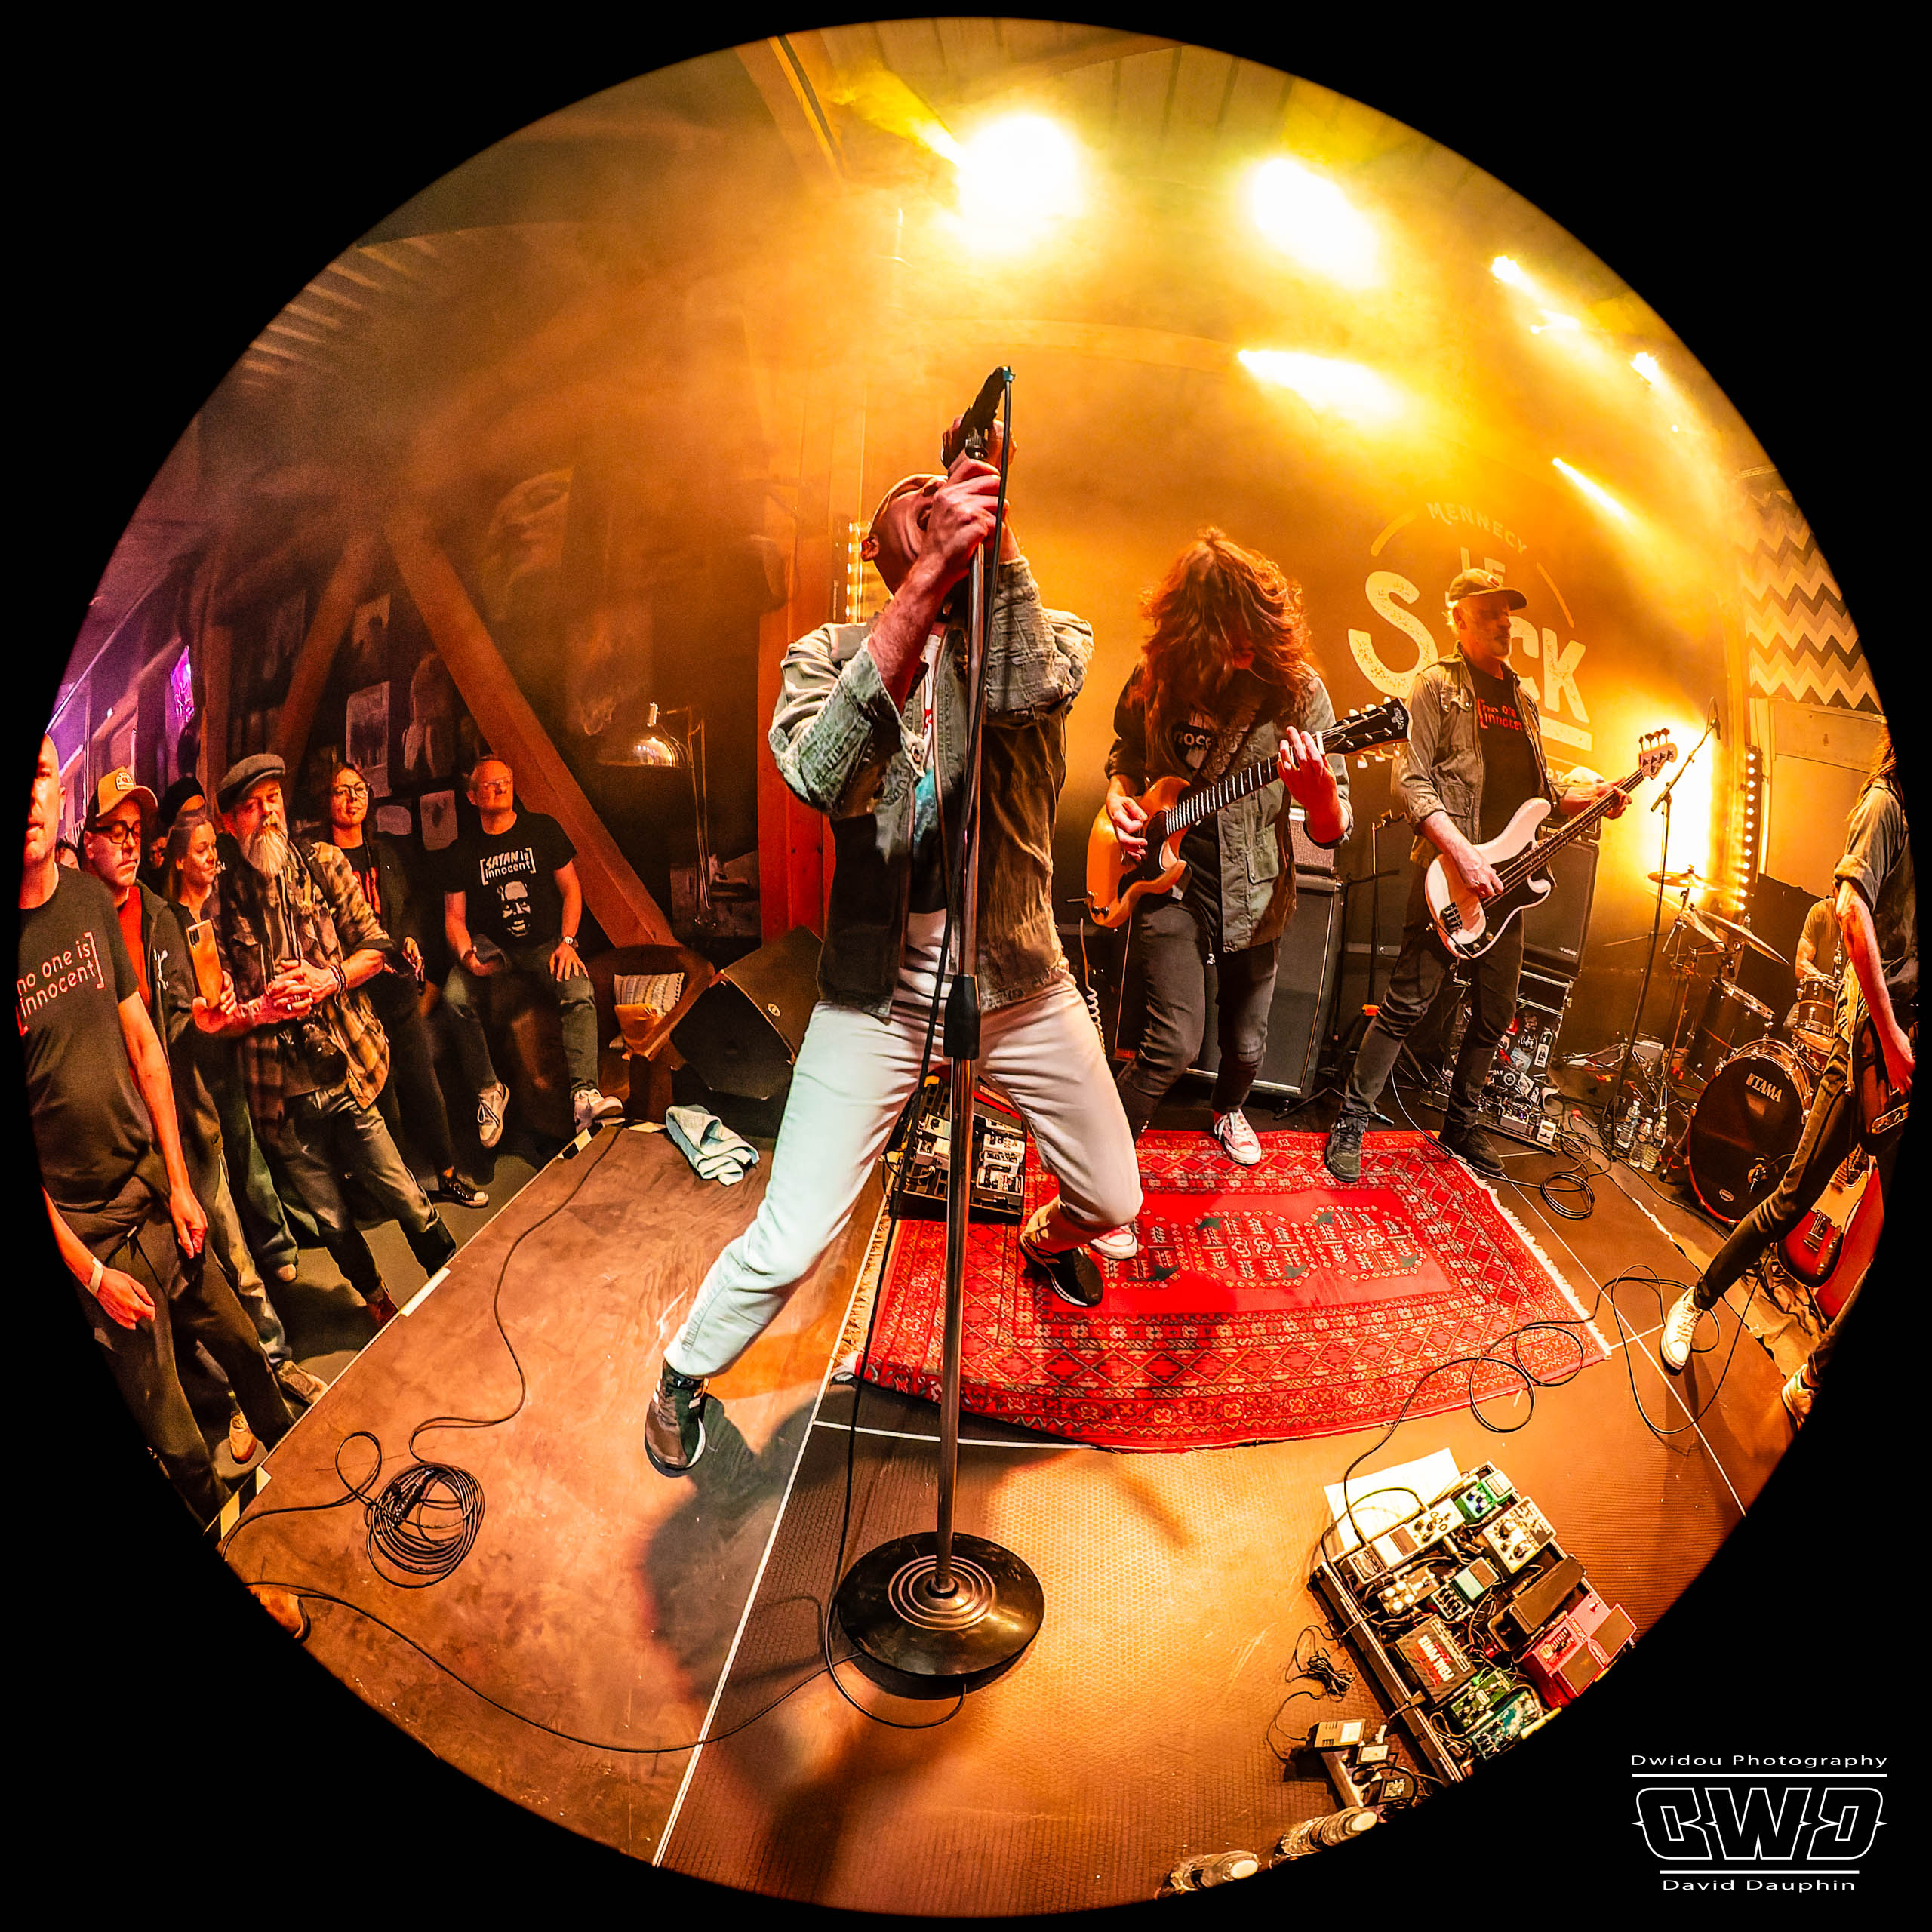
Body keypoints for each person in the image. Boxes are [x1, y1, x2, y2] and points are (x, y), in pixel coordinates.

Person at [642, 414, 1142, 1477]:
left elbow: (1021, 690)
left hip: (1017, 979)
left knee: (1114, 1200)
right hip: (875, 998)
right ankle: (682, 1372)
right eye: (918, 503)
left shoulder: (1042, 631)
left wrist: (991, 542)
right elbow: (822, 776)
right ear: (879, 550)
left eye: (952, 490)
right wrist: (923, 589)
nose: (940, 500)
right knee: (791, 1237)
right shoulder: (825, 659)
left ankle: (1043, 1242)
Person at [22, 738, 295, 1524]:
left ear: (57, 793)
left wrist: (179, 1182)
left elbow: (145, 1045)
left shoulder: (87, 903)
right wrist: (90, 1277)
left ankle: (302, 1474)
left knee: (245, 1346)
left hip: (153, 1188)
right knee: (173, 1431)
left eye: (40, 774)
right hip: (90, 1235)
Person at [1324, 568, 1627, 1183]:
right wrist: (1462, 852)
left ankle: (1460, 1123)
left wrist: (1592, 798)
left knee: (1494, 1014)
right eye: (1490, 612)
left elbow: (1542, 795)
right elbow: (1411, 781)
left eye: (1508, 612)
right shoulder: (1436, 685)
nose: (1504, 622)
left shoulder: (1523, 700)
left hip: (1508, 884)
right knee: (1406, 1004)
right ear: (1459, 619)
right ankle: (1350, 1120)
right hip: (1450, 871)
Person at [1660, 728, 1912, 1420]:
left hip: (1907, 1056)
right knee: (1790, 1201)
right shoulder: (1886, 806)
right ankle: (1695, 1301)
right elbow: (1851, 911)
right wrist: (1890, 1036)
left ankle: (1813, 1378)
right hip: (1867, 1051)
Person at [1104, 530, 1352, 1192]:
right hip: (1164, 879)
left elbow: (1332, 831)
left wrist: (1318, 795)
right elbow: (1125, 755)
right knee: (1170, 1046)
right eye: (1227, 636)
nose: (1245, 646)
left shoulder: (1296, 692)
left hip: (1256, 892)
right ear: (1191, 632)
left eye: (1253, 632)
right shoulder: (1158, 675)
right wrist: (1119, 799)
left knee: (1246, 1047)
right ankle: (1101, 1165)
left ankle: (1228, 1110)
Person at [79, 777, 326, 1442]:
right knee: (175, 1287)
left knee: (233, 1257)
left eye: (137, 833)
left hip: (187, 1126)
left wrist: (231, 1017)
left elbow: (193, 1019)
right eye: (116, 832)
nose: (130, 845)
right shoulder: (77, 931)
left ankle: (274, 1367)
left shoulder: (163, 918)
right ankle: (228, 1401)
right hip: (125, 1151)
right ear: (88, 842)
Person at [200, 752, 457, 1325]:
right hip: (277, 1094)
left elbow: (377, 948)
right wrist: (257, 1010)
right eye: (251, 807)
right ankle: (377, 1301)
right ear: (229, 823)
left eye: (273, 799)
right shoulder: (218, 903)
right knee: (331, 1218)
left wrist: (328, 979)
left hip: (347, 1064)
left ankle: (451, 1281)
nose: (267, 814)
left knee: (400, 1189)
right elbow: (220, 1018)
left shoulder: (324, 864)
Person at [321, 759, 486, 1208]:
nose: (352, 799)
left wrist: (411, 940)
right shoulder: (320, 862)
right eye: (341, 791)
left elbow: (407, 909)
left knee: (422, 1080)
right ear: (327, 801)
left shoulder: (386, 854)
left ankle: (448, 1175)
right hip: (354, 994)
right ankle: (397, 1191)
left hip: (396, 986)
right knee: (382, 1091)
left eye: (359, 789)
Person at [439, 754, 621, 1142]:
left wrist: (568, 942)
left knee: (578, 989)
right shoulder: (462, 850)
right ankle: (490, 1089)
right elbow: (454, 917)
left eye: (505, 781)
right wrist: (467, 956)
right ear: (472, 796)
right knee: (454, 996)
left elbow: (571, 890)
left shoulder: (542, 829)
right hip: (494, 948)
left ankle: (584, 1097)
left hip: (544, 944)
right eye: (490, 784)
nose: (500, 788)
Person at [166, 812, 306, 1287]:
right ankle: (250, 1264)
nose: (211, 857)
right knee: (225, 1165)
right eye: (200, 849)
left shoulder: (224, 904)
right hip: (202, 1055)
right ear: (179, 859)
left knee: (252, 1155)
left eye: (213, 847)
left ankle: (279, 1246)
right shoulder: (171, 920)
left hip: (241, 1044)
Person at [1795, 892, 1844, 981]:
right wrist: (1827, 984)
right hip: (1819, 989)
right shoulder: (1821, 911)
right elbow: (1801, 965)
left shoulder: (1866, 926)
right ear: (1835, 891)